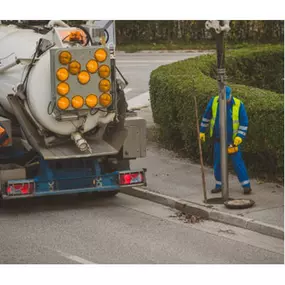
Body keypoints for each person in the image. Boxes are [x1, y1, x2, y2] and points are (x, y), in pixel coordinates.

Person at [199, 86, 252, 195]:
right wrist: (202, 131)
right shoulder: (214, 101)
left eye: (227, 98)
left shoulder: (238, 104)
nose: (226, 100)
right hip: (218, 140)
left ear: (230, 95)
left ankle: (246, 186)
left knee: (238, 163)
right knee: (218, 163)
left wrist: (239, 137)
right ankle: (219, 184)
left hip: (232, 142)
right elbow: (206, 117)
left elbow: (244, 123)